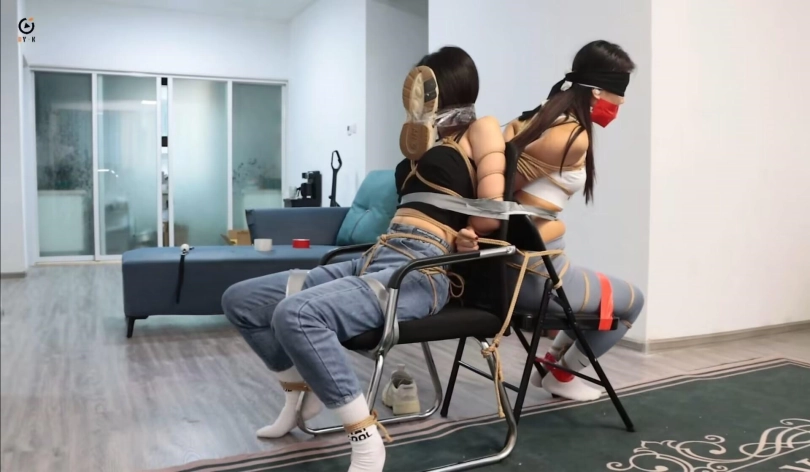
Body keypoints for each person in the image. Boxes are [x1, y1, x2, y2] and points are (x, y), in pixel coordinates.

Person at [221, 45, 505, 472]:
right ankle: (300, 393)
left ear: (445, 86)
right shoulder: (423, 142)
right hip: (378, 254)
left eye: (423, 85)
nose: (414, 96)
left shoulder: (480, 130)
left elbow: (491, 216)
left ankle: (367, 440)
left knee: (295, 315)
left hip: (421, 269)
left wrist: (469, 237)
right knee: (242, 300)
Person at [456, 40, 645, 402]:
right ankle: (562, 374)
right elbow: (502, 189)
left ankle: (552, 365)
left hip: (521, 269)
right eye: (619, 92)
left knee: (601, 295)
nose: (620, 103)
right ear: (597, 90)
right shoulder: (571, 136)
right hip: (536, 277)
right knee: (632, 300)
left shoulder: (537, 116)